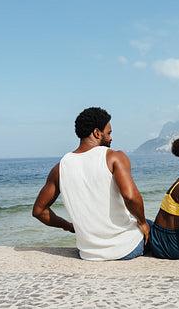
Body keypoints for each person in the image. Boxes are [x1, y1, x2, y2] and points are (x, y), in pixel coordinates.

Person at [32, 107, 150, 261]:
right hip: (126, 248)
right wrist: (142, 222)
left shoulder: (60, 167)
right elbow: (130, 196)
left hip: (89, 254)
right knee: (157, 227)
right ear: (96, 133)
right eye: (108, 133)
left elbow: (39, 211)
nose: (111, 138)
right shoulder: (114, 157)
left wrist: (68, 226)